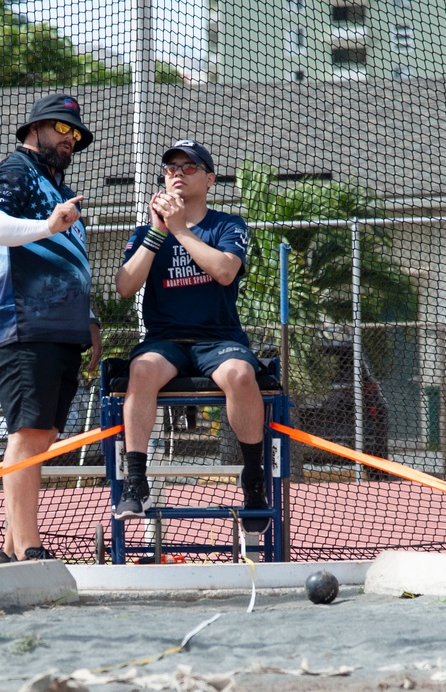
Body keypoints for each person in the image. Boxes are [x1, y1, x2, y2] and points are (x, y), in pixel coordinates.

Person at [113, 140, 270, 533]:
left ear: (210, 178)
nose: (178, 173)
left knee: (239, 375)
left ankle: (253, 480)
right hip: (165, 339)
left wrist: (180, 229)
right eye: (171, 168)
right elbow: (124, 286)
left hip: (218, 338)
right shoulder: (148, 231)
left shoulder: (227, 225)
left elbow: (225, 272)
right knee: (142, 370)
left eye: (189, 167)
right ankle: (136, 481)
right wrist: (157, 232)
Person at [0, 94, 102, 562]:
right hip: (22, 324)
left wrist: (87, 319)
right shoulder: (15, 170)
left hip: (60, 329)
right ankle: (29, 549)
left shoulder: (55, 184)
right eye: (63, 130)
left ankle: (12, 551)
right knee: (28, 435)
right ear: (36, 128)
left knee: (43, 436)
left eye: (77, 135)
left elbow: (70, 262)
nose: (72, 140)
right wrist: (48, 225)